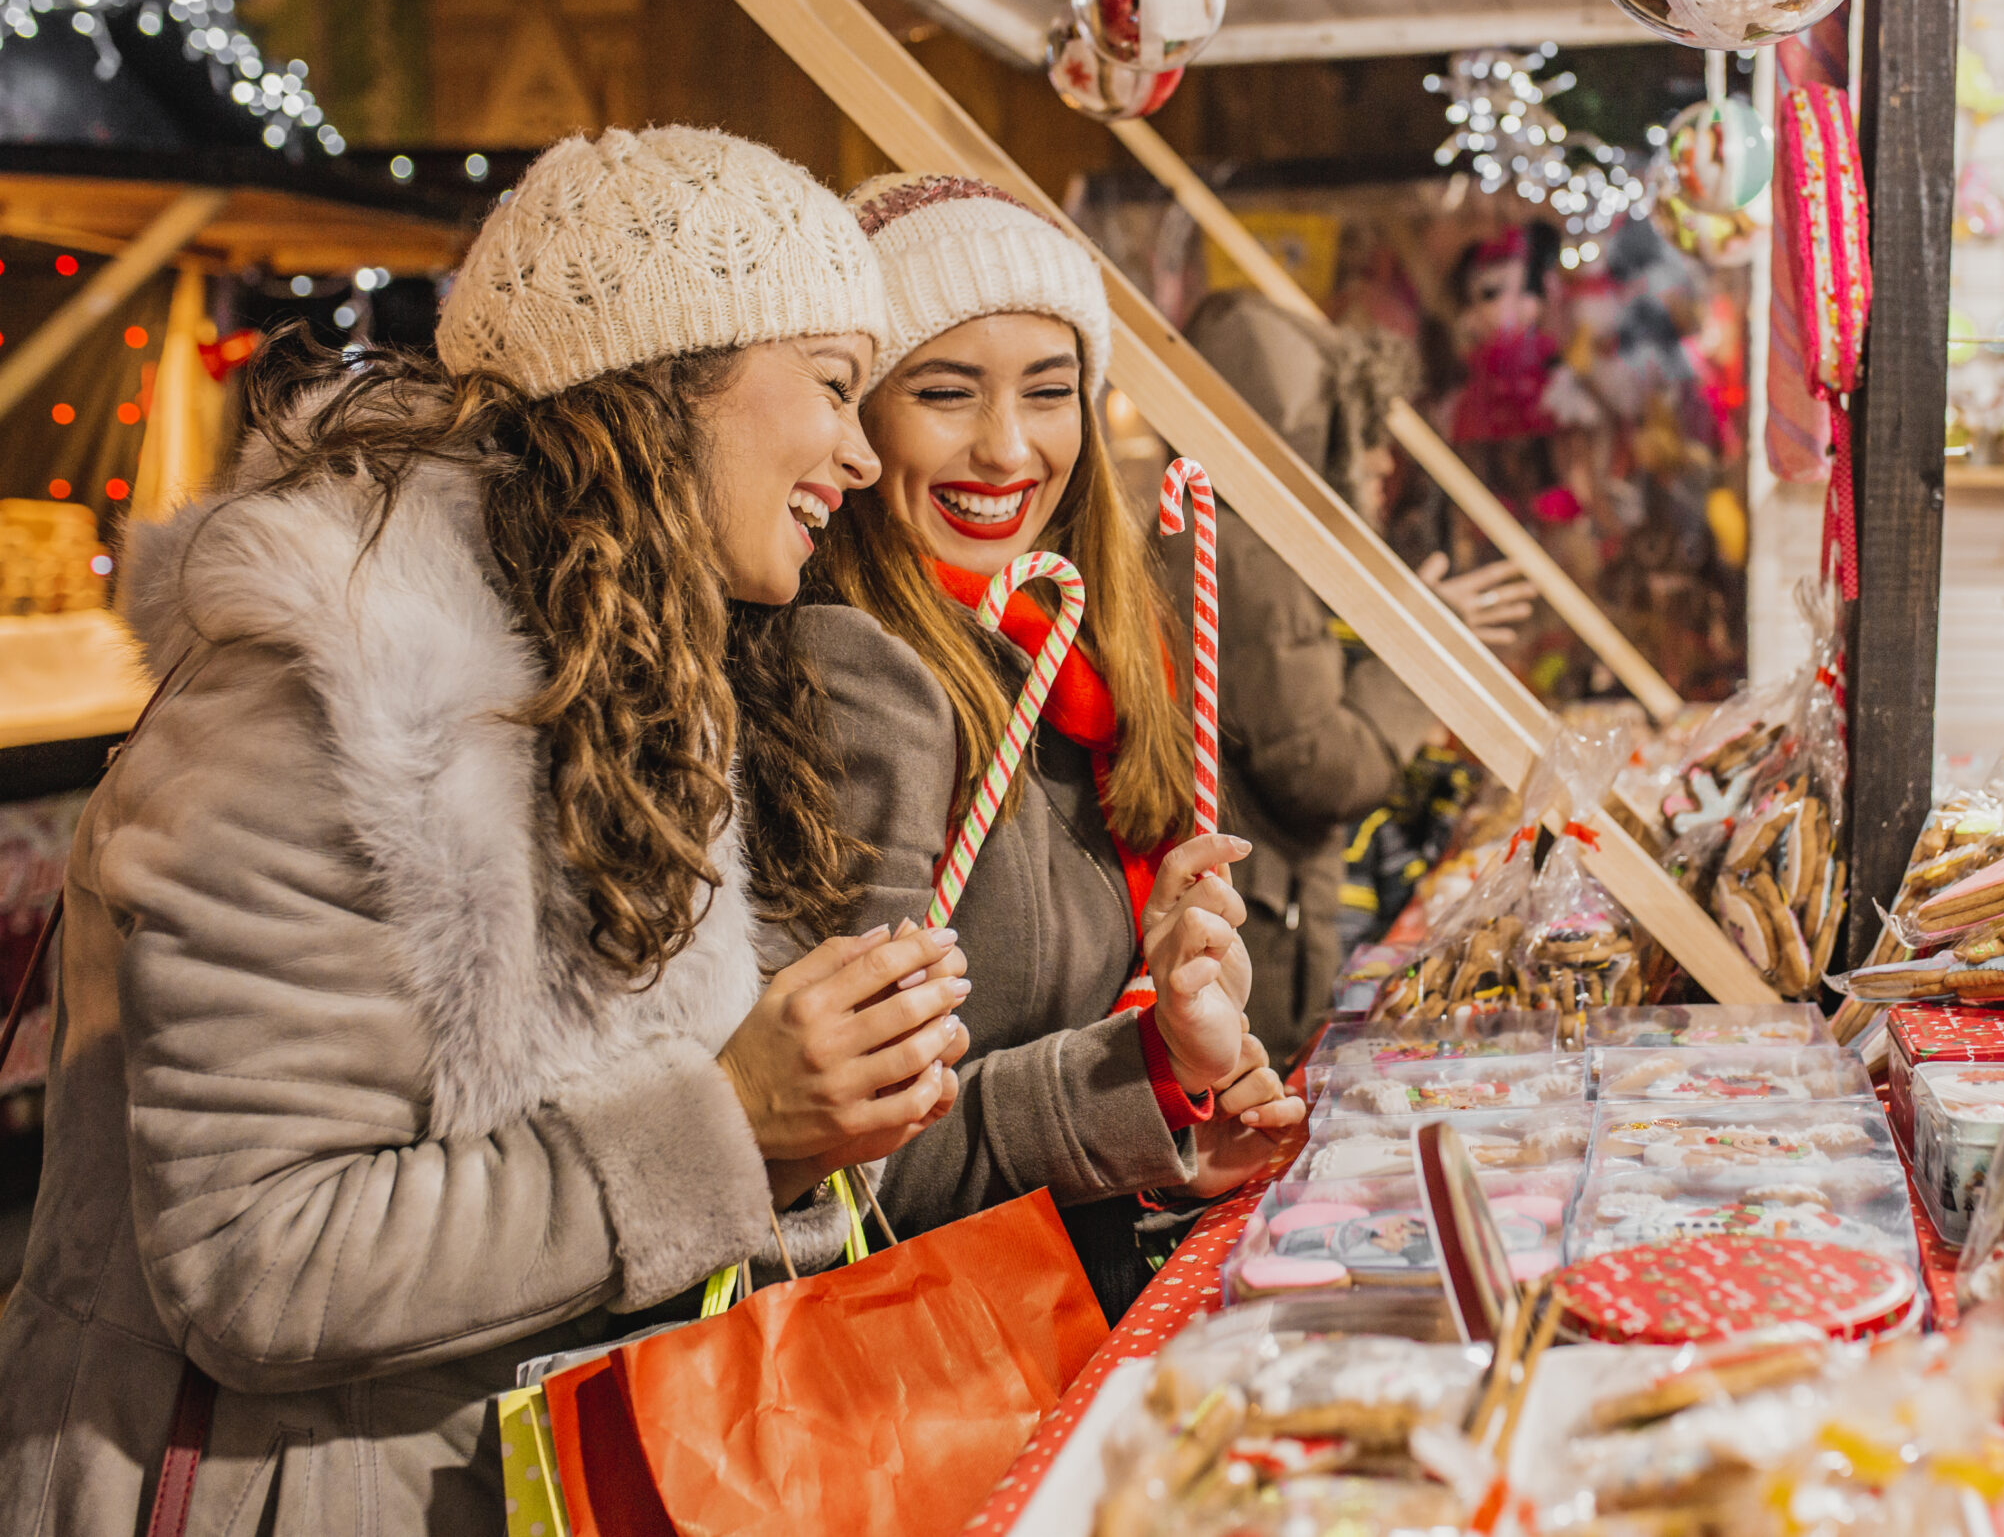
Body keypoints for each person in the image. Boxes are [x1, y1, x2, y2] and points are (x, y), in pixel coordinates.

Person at [0, 127, 971, 1536]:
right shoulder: (335, 688)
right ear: (667, 374)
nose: (864, 454)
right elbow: (252, 1258)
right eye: (832, 385)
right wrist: (736, 1127)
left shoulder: (629, 675)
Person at [799, 173, 1299, 1317]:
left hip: (1066, 1311)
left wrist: (1181, 1134)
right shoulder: (851, 679)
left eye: (1049, 390)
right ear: (859, 420)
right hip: (923, 1372)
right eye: (943, 391)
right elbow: (855, 1163)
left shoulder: (1074, 662)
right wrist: (1145, 1075)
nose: (1006, 447)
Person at [1178, 286, 1538, 1065]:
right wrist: (1421, 657)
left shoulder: (1240, 535)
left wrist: (1417, 632)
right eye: (1361, 435)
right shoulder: (1248, 552)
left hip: (1266, 916)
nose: (1381, 461)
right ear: (1312, 438)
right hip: (1261, 931)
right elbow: (1323, 763)